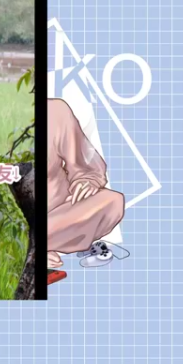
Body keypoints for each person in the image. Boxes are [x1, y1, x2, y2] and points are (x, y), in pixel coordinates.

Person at [47, 98, 124, 268]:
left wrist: (86, 181)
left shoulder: (55, 110)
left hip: (64, 209)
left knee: (114, 201)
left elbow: (85, 162)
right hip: (27, 218)